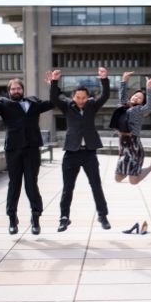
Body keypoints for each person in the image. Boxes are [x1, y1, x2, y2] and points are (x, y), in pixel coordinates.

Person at [0, 77, 54, 235]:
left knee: (31, 184)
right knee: (14, 185)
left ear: (22, 90)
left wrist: (53, 85)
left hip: (32, 149)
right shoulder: (4, 104)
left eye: (18, 88)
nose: (16, 91)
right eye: (13, 89)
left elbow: (53, 102)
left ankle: (35, 218)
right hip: (13, 150)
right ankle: (12, 218)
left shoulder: (34, 102)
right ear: (9, 92)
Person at [49, 67, 112, 232]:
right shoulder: (67, 106)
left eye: (84, 98)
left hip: (89, 152)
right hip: (71, 153)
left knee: (96, 185)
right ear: (73, 97)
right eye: (78, 97)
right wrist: (54, 81)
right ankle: (64, 218)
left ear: (88, 97)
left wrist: (104, 79)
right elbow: (54, 98)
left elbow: (105, 95)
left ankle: (102, 215)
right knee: (67, 188)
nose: (81, 101)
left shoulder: (92, 106)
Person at [112, 71, 151, 185]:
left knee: (133, 181)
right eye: (135, 95)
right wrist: (124, 80)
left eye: (140, 98)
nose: (137, 98)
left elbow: (150, 105)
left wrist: (149, 89)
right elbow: (122, 95)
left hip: (134, 147)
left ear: (142, 102)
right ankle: (133, 171)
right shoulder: (124, 106)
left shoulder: (140, 110)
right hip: (123, 146)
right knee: (118, 178)